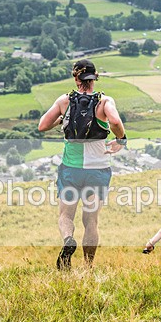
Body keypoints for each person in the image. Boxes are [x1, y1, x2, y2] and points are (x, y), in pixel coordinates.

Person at [38, 59, 127, 269]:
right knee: (91, 221)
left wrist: (63, 119)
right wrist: (121, 139)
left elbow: (42, 125)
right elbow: (114, 122)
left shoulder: (64, 101)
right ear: (95, 77)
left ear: (75, 78)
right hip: (97, 171)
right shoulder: (104, 102)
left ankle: (68, 240)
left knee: (66, 215)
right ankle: (88, 267)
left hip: (71, 169)